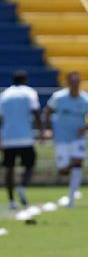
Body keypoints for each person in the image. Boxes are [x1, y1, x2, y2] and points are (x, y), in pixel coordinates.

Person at [44, 71, 88, 209]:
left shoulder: (87, 100)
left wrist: (84, 128)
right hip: (61, 138)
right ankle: (70, 166)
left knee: (78, 164)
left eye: (77, 82)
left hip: (77, 139)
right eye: (72, 82)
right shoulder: (58, 97)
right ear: (67, 83)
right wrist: (49, 129)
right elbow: (47, 111)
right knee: (64, 170)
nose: (75, 84)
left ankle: (71, 198)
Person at [0, 70, 43, 210]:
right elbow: (36, 111)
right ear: (25, 80)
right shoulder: (29, 93)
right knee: (30, 165)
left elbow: (0, 118)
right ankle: (22, 186)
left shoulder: (5, 95)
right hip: (25, 137)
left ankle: (11, 201)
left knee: (9, 169)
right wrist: (41, 131)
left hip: (8, 138)